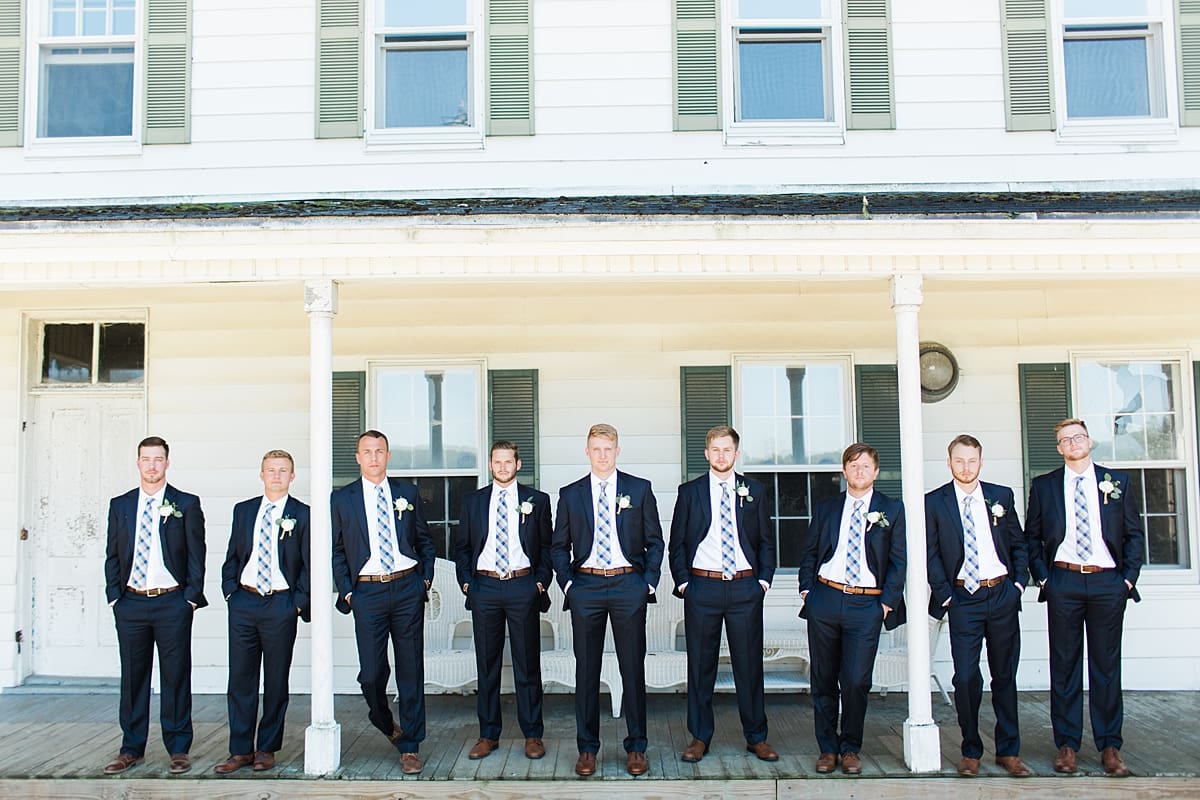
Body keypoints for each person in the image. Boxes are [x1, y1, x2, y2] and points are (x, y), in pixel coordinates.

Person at [1025, 418, 1143, 777]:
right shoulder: (1044, 486)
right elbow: (1032, 538)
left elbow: (1134, 535)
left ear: (1089, 441)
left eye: (1078, 437)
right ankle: (1067, 745)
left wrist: (1126, 581)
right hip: (1064, 581)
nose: (1073, 443)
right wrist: (1044, 580)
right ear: (1059, 448)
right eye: (1065, 439)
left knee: (1107, 666)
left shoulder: (1116, 482)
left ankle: (1110, 745)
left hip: (1108, 582)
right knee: (1064, 665)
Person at [551, 423, 665, 777]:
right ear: (587, 452)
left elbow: (655, 542)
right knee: (587, 670)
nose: (602, 455)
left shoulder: (639, 489)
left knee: (632, 669)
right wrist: (569, 585)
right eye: (596, 449)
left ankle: (636, 747)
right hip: (586, 587)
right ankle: (587, 748)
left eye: (608, 449)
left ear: (617, 451)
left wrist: (646, 583)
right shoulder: (570, 494)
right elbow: (558, 547)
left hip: (627, 586)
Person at [668, 425, 778, 763]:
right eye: (715, 450)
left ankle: (756, 736)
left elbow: (765, 542)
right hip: (703, 587)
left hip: (745, 587)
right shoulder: (690, 492)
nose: (721, 456)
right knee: (701, 666)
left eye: (726, 450)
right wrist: (685, 583)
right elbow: (678, 544)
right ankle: (700, 737)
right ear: (706, 453)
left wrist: (762, 582)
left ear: (736, 453)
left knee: (749, 666)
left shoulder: (754, 491)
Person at [926, 435, 1030, 777]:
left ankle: (1009, 750)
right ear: (949, 462)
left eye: (972, 460)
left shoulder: (1001, 496)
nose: (966, 467)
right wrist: (945, 594)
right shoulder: (934, 502)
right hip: (962, 598)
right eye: (959, 461)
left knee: (1004, 675)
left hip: (1000, 593)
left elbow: (1018, 542)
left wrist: (1017, 585)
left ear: (981, 462)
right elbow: (931, 555)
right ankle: (971, 749)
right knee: (967, 677)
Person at [798, 442, 905, 776]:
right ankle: (827, 748)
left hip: (867, 603)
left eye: (865, 466)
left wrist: (886, 603)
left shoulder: (892, 509)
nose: (859, 472)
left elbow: (899, 561)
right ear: (844, 471)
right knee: (824, 678)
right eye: (853, 466)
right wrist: (807, 591)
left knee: (857, 680)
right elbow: (810, 551)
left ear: (875, 472)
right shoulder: (828, 507)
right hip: (825, 599)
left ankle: (851, 748)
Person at [332, 430, 435, 775]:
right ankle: (383, 719)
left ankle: (410, 745)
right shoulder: (342, 499)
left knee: (410, 668)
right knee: (372, 674)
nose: (374, 457)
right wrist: (348, 591)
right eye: (367, 452)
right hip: (368, 593)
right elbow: (335, 551)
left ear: (388, 456)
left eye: (380, 451)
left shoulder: (407, 493)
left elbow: (424, 539)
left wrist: (424, 579)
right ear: (358, 458)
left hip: (406, 587)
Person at [102, 436, 207, 776]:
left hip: (172, 602)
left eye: (157, 459)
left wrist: (190, 598)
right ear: (138, 463)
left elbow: (196, 555)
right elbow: (113, 555)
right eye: (146, 459)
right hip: (131, 602)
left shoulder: (186, 504)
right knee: (133, 677)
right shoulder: (120, 505)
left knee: (176, 676)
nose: (151, 465)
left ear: (167, 463)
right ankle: (131, 748)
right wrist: (115, 596)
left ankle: (178, 748)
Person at [453, 440, 553, 761]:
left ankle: (533, 734)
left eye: (508, 461)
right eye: (497, 462)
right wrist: (468, 584)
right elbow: (462, 547)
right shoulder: (473, 501)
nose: (503, 467)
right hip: (485, 588)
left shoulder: (537, 501)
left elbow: (548, 548)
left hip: (523, 586)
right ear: (491, 464)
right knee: (487, 665)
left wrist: (539, 583)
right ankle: (488, 734)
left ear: (518, 464)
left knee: (527, 665)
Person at [214, 449, 311, 774]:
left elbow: (310, 565)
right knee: (240, 678)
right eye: (271, 470)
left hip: (280, 604)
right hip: (244, 601)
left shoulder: (304, 514)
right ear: (261, 474)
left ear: (292, 476)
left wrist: (297, 602)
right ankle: (240, 749)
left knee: (275, 679)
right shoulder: (244, 511)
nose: (277, 476)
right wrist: (230, 591)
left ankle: (266, 748)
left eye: (283, 470)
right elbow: (233, 555)